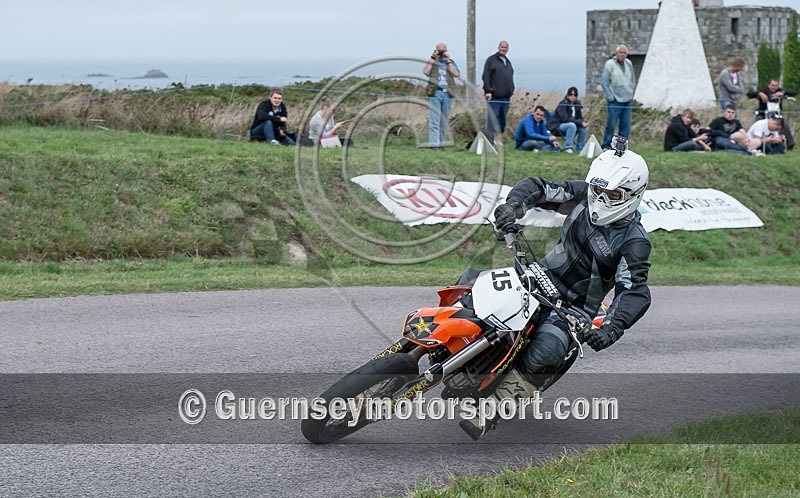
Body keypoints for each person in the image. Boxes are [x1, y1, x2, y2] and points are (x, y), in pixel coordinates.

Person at [461, 138, 651, 440]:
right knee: (471, 281)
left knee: (549, 348)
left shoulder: (633, 240)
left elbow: (634, 290)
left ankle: (493, 409)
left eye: (611, 194)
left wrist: (611, 328)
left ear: (632, 195)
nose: (600, 198)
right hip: (536, 274)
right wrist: (513, 206)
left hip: (574, 308)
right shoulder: (583, 196)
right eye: (597, 190)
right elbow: (539, 187)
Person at [423, 42, 460, 149]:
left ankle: (441, 143)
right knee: (434, 120)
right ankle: (434, 144)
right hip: (435, 93)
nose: (442, 52)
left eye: (444, 50)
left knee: (444, 120)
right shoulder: (432, 61)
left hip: (448, 93)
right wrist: (433, 58)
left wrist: (448, 61)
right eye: (440, 50)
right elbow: (425, 72)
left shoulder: (451, 62)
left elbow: (456, 74)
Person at [601, 45, 636, 150]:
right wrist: (610, 97)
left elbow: (632, 79)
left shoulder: (629, 63)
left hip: (627, 100)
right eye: (621, 52)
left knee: (625, 126)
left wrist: (631, 92)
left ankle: (621, 147)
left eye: (624, 53)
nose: (622, 54)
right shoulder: (609, 64)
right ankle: (607, 146)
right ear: (617, 54)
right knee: (611, 124)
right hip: (615, 100)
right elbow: (604, 82)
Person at [482, 40, 515, 144]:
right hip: (494, 96)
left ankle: (498, 139)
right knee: (493, 119)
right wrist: (488, 91)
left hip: (506, 97)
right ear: (498, 47)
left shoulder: (507, 61)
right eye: (502, 47)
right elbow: (486, 76)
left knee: (502, 119)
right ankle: (490, 141)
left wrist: (512, 89)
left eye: (505, 47)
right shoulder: (491, 60)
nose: (503, 49)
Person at [756, 79, 795, 150]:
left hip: (776, 115)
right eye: (772, 85)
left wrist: (783, 93)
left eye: (776, 86)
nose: (774, 87)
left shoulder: (779, 91)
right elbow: (750, 94)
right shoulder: (763, 91)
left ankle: (790, 145)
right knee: (759, 123)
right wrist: (760, 94)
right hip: (763, 114)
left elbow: (794, 93)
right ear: (768, 85)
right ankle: (758, 143)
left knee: (784, 125)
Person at [548, 86, 589, 153]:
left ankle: (580, 148)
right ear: (567, 95)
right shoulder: (562, 104)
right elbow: (565, 119)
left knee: (584, 129)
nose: (573, 96)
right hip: (558, 126)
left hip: (573, 126)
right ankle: (568, 147)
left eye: (575, 95)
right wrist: (579, 123)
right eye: (571, 94)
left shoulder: (577, 105)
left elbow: (580, 118)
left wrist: (582, 123)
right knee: (571, 125)